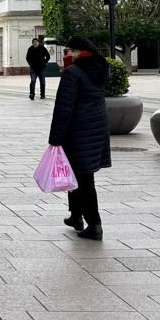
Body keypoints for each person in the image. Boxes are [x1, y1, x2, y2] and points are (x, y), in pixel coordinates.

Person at [47, 35, 112, 241]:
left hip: (78, 131)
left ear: (78, 53)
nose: (67, 55)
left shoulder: (73, 73)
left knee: (84, 179)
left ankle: (94, 224)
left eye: (69, 51)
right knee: (76, 174)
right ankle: (76, 216)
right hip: (95, 129)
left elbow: (64, 108)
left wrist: (55, 138)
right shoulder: (99, 70)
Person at [26, 36, 51, 101]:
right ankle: (32, 94)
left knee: (42, 82)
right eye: (33, 42)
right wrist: (30, 64)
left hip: (41, 68)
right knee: (33, 81)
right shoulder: (30, 49)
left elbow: (48, 56)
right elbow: (27, 58)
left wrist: (45, 62)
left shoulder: (42, 48)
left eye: (36, 42)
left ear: (38, 42)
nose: (35, 43)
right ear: (32, 43)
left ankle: (42, 94)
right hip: (33, 68)